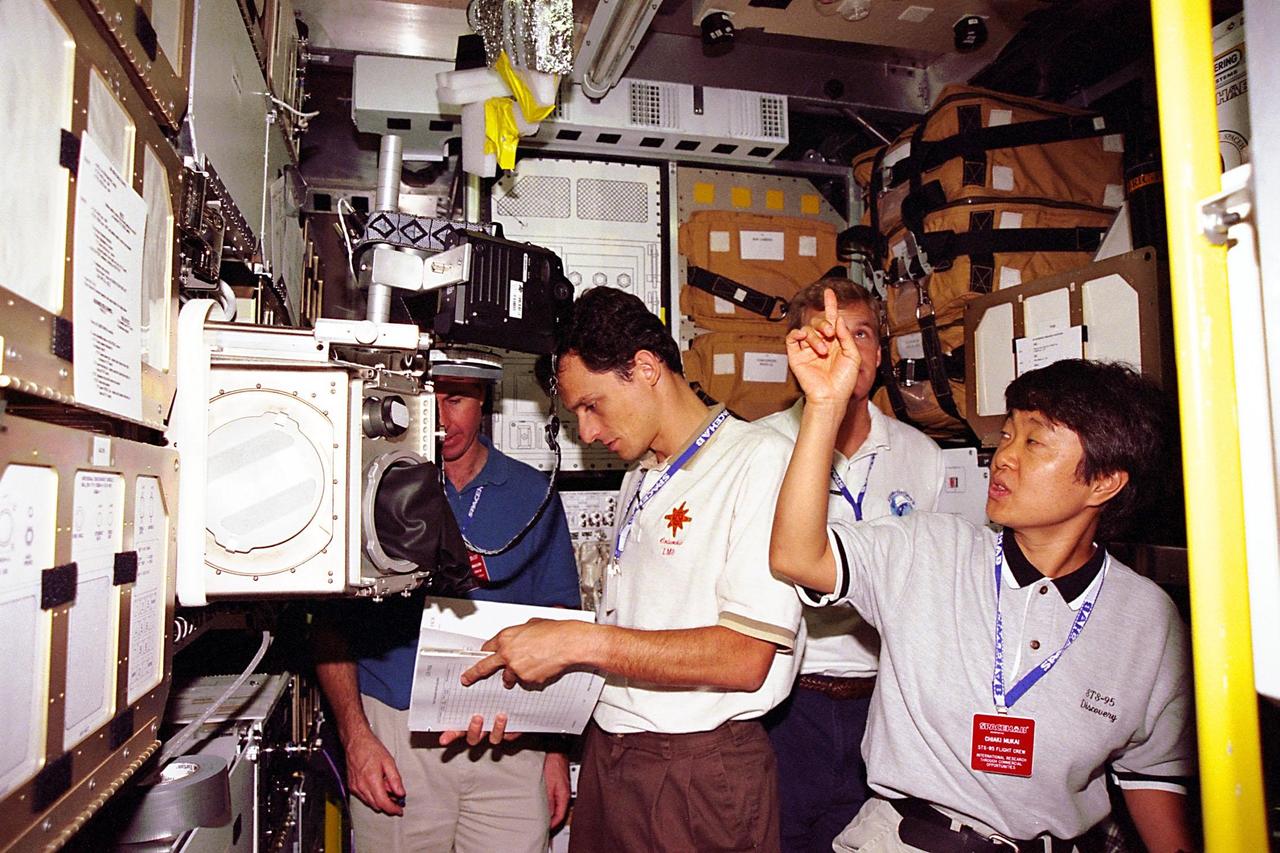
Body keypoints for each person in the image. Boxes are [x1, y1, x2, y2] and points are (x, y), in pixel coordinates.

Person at [770, 290, 1195, 852]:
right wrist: (824, 406)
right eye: (1007, 435)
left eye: (1035, 441)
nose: (1004, 456)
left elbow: (1151, 774)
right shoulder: (929, 549)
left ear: (1104, 481)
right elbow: (800, 558)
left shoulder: (1147, 620)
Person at [446, 285, 804, 852]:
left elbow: (744, 657)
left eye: (592, 405)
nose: (585, 432)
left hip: (696, 770)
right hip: (614, 756)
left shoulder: (760, 460)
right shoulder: (643, 474)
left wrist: (576, 642)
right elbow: (639, 638)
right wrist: (525, 702)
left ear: (644, 368)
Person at [313, 374, 581, 853]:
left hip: (509, 737)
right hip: (397, 738)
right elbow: (328, 625)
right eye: (428, 400)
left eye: (455, 400)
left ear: (484, 402)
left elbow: (560, 621)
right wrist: (356, 738)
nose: (440, 417)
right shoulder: (364, 490)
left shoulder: (532, 493)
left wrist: (554, 749)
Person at [758, 278, 945, 853]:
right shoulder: (759, 448)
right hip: (788, 704)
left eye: (861, 333)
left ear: (882, 350)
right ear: (798, 350)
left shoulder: (923, 456)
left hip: (882, 705)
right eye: (827, 335)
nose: (847, 350)